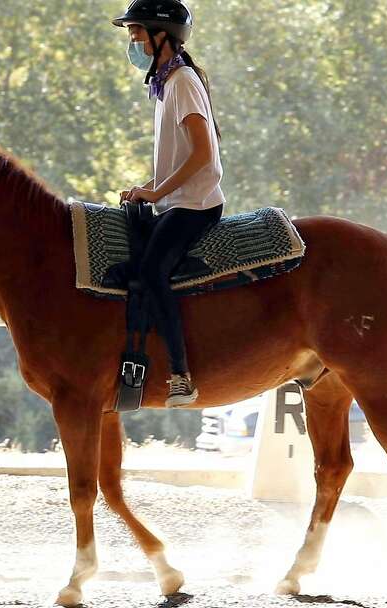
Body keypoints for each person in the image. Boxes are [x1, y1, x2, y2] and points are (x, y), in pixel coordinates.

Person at [113, 0, 226, 407]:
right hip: (175, 200)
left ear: (162, 36)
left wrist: (158, 193)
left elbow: (201, 155)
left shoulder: (181, 82)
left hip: (195, 205)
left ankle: (180, 374)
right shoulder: (164, 83)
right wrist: (148, 186)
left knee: (152, 270)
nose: (133, 42)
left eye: (137, 33)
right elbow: (178, 157)